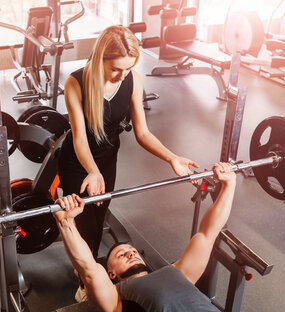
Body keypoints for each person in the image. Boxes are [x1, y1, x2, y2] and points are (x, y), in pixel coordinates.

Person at [53, 162, 285, 312]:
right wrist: (66, 222)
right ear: (112, 274)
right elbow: (88, 270)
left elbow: (207, 233)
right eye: (120, 255)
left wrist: (229, 185)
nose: (130, 252)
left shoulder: (178, 272)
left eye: (132, 250)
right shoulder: (118, 299)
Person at [58, 25, 198, 262]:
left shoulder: (132, 80)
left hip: (107, 159)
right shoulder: (76, 83)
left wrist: (171, 157)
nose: (123, 75)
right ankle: (84, 279)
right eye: (115, 69)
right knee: (85, 224)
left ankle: (89, 269)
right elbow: (80, 137)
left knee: (99, 216)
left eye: (128, 68)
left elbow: (142, 133)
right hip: (77, 161)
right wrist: (92, 171)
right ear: (101, 58)